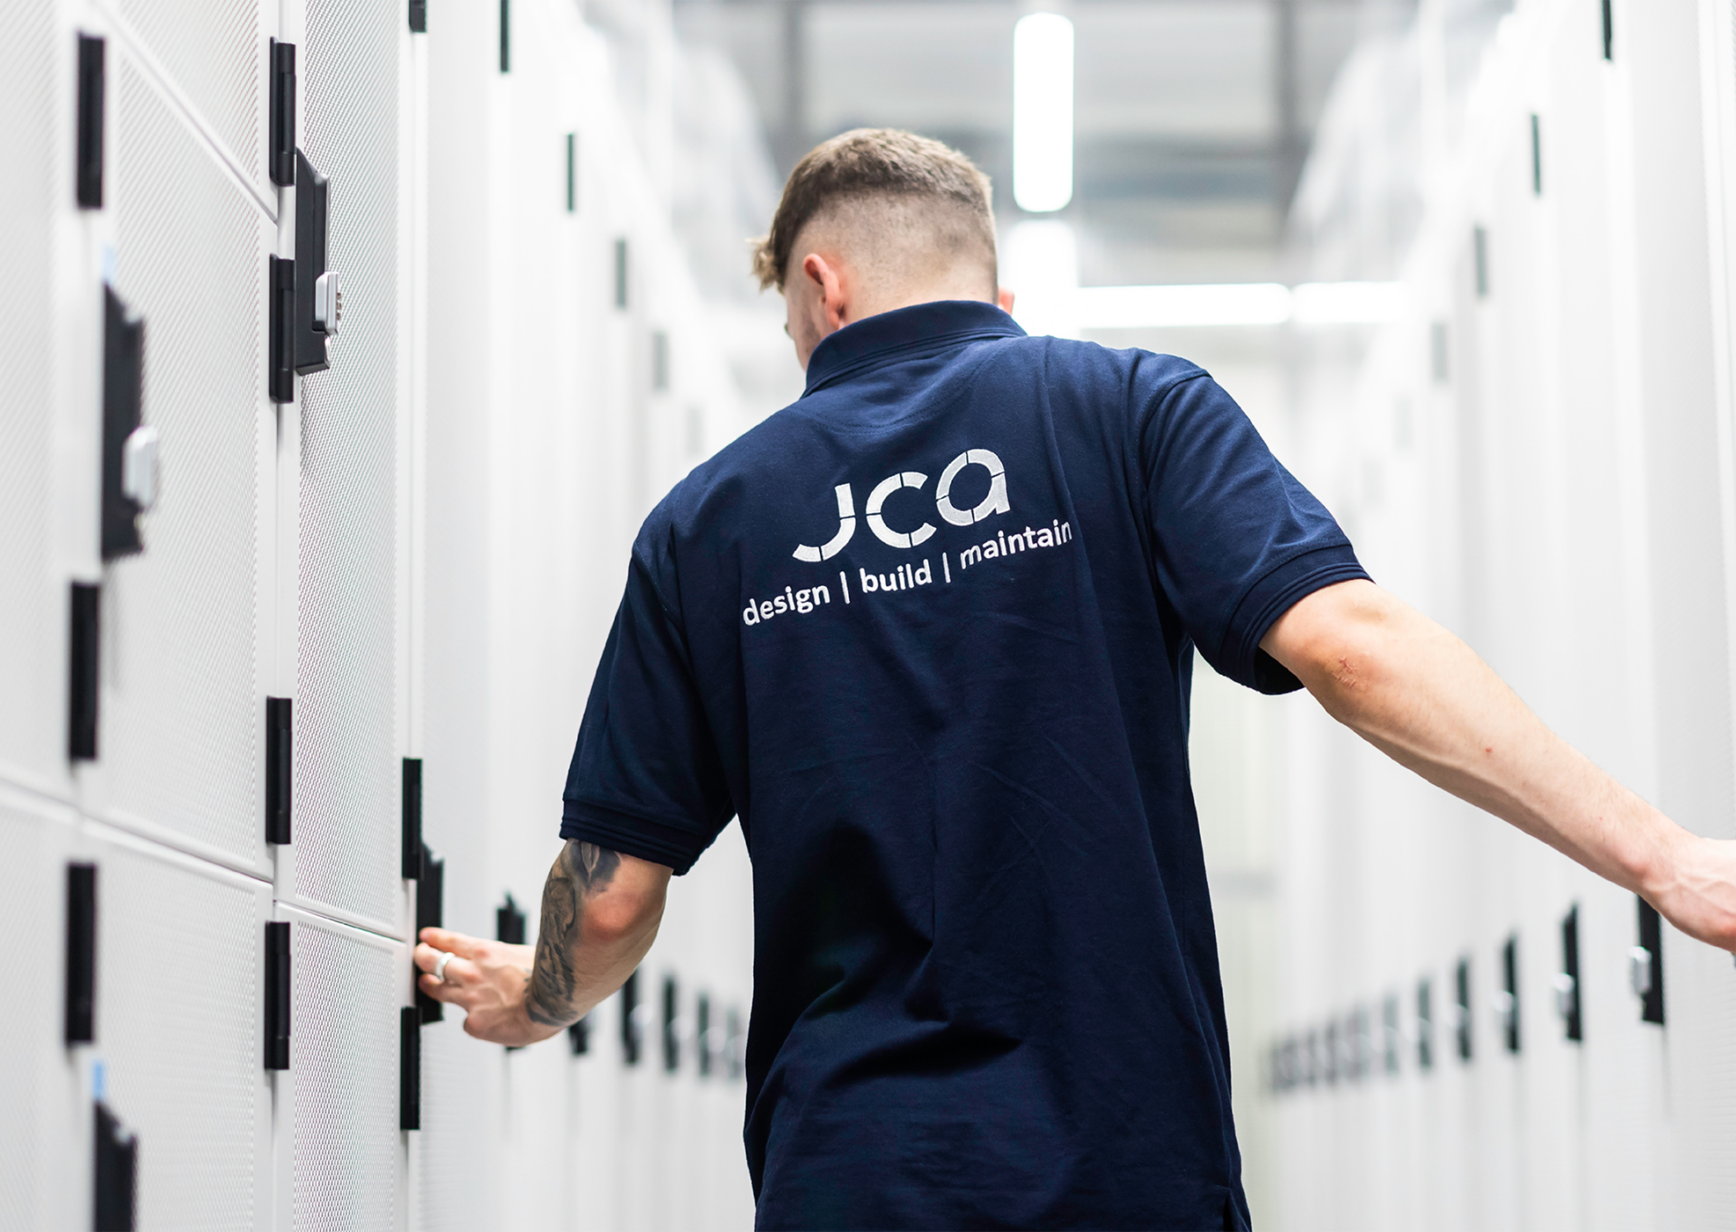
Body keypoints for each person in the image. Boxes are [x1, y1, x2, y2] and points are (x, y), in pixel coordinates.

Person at [410, 128, 1736, 1229]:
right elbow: (1351, 646)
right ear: (993, 291)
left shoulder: (710, 521)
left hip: (853, 1176)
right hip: (1125, 1158)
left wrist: (536, 1003)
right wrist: (1662, 857)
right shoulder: (1130, 408)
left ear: (823, 288)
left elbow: (611, 895)